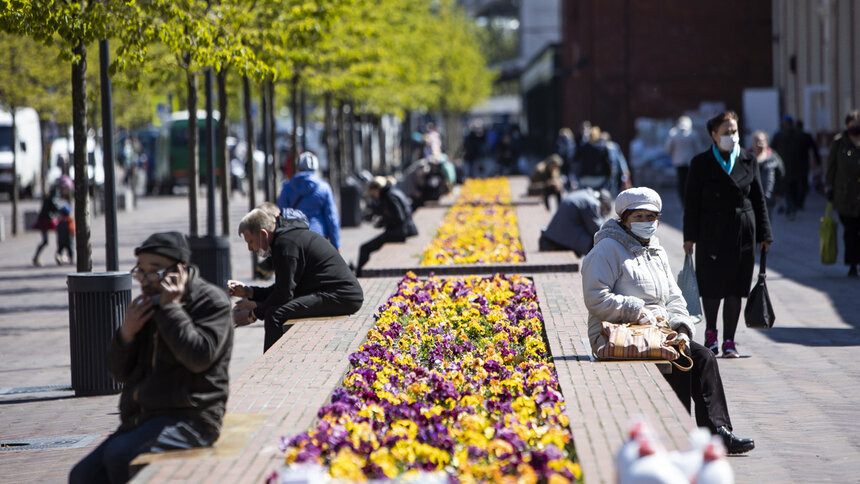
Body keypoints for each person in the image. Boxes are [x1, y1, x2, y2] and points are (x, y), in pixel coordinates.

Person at [581, 187, 755, 455]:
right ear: (624, 218)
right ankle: (679, 434)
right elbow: (596, 298)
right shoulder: (607, 249)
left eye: (651, 217)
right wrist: (635, 311)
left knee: (702, 356)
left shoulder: (656, 250)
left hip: (658, 330)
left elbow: (674, 297)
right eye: (638, 216)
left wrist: (682, 327)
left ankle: (717, 433)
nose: (646, 222)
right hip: (616, 331)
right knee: (674, 362)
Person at [69, 232, 233, 483]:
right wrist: (126, 334)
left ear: (180, 270)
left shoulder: (210, 302)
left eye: (154, 271)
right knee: (82, 475)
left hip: (192, 417)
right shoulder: (146, 304)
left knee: (119, 456)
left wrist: (171, 309)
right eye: (141, 271)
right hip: (143, 417)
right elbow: (119, 373)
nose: (145, 280)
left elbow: (199, 357)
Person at [684, 111, 773, 357]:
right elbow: (691, 202)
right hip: (710, 232)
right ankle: (711, 334)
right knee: (711, 287)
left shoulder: (748, 160)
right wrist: (689, 237)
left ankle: (730, 341)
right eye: (726, 133)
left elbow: (758, 199)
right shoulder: (700, 163)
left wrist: (765, 234)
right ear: (714, 135)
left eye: (734, 131)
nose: (732, 137)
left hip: (742, 231)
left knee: (736, 287)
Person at [230, 208, 364, 352]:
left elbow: (283, 295)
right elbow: (284, 288)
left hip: (341, 295)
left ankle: (271, 366)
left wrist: (252, 315)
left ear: (263, 234)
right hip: (335, 293)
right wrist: (249, 292)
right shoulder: (287, 238)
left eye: (251, 241)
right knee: (275, 311)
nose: (250, 248)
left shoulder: (286, 245)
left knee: (274, 315)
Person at [276, 152, 341, 250]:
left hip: (295, 236)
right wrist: (336, 244)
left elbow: (280, 213)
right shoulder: (324, 187)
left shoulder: (288, 187)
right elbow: (332, 218)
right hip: (319, 236)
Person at [824, 110, 860, 277]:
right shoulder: (839, 143)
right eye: (851, 124)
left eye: (857, 124)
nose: (854, 127)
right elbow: (831, 168)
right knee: (850, 231)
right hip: (845, 196)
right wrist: (829, 188)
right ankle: (852, 264)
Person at [357, 176, 418, 274]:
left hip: (398, 232)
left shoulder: (390, 197)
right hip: (402, 230)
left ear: (377, 190)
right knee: (366, 247)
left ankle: (360, 274)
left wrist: (384, 222)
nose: (374, 196)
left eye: (373, 193)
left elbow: (399, 217)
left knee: (364, 248)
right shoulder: (392, 192)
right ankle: (360, 271)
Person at [539, 188, 612, 256]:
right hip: (563, 239)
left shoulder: (585, 194)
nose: (602, 213)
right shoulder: (593, 203)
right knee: (597, 244)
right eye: (604, 209)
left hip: (556, 235)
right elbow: (597, 229)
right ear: (602, 203)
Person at [771, 115, 805, 219]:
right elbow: (772, 150)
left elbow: (803, 151)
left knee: (794, 189)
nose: (787, 126)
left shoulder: (797, 135)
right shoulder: (778, 136)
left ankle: (792, 207)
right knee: (787, 190)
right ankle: (791, 208)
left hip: (796, 168)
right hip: (783, 168)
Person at [665, 115, 705, 204]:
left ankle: (683, 201)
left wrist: (674, 155)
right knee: (691, 182)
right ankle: (691, 200)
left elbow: (668, 148)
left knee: (681, 183)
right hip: (691, 162)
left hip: (679, 162)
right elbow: (699, 149)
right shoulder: (693, 134)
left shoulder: (673, 134)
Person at [750, 130, 785, 220]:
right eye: (757, 141)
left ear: (766, 143)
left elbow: (781, 175)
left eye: (761, 141)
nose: (759, 144)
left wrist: (779, 193)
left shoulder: (773, 158)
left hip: (768, 199)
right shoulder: (746, 158)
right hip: (750, 200)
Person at [31, 178, 66, 266]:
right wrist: (63, 210)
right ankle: (59, 255)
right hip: (47, 221)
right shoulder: (53, 196)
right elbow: (55, 206)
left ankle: (37, 257)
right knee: (61, 236)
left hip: (44, 220)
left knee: (47, 241)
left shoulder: (51, 194)